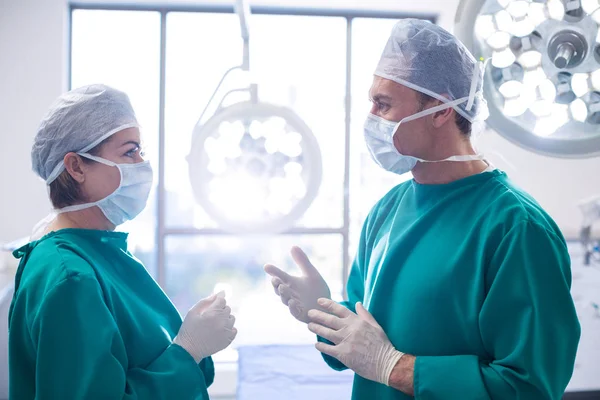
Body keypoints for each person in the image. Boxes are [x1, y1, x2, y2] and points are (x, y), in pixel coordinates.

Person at [265, 19, 580, 399]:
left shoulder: (516, 228)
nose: (371, 118)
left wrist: (393, 367)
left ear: (441, 109)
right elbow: (366, 339)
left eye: (383, 104)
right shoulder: (386, 212)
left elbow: (528, 387)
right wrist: (323, 312)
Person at [9, 84, 237, 399]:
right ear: (76, 167)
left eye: (140, 150)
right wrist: (188, 351)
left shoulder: (94, 253)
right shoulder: (71, 277)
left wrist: (189, 345)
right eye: (130, 151)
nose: (143, 164)